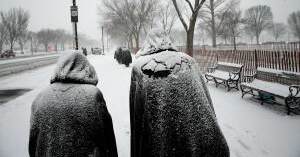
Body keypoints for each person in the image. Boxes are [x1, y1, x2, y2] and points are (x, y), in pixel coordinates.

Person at [129, 28, 229, 157]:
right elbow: (207, 103)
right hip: (199, 136)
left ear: (147, 43)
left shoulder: (139, 67)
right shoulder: (189, 61)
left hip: (160, 139)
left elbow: (136, 111)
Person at [29, 51, 118, 157]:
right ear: (86, 68)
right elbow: (107, 137)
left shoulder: (41, 97)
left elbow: (33, 141)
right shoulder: (92, 95)